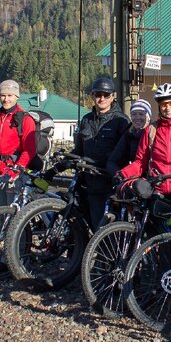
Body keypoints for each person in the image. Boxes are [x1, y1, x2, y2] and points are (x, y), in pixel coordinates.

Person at [73, 76, 130, 230]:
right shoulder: (86, 120)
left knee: (107, 231)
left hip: (109, 184)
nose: (102, 99)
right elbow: (78, 150)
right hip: (88, 183)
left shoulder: (121, 121)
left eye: (106, 95)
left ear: (113, 96)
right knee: (90, 225)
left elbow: (124, 154)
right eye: (98, 95)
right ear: (92, 96)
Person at [107, 99, 151, 176]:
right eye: (134, 114)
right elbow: (112, 160)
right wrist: (119, 176)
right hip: (131, 179)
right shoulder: (128, 135)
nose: (137, 117)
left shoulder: (154, 134)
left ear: (148, 116)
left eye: (141, 114)